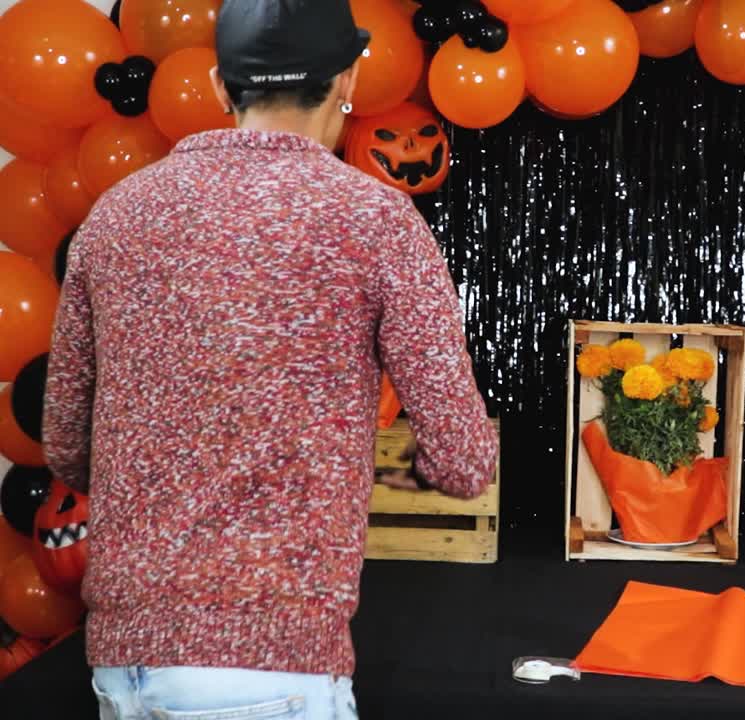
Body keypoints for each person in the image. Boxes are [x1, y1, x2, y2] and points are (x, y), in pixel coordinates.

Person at [41, 0, 498, 717]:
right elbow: (465, 461)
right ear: (347, 80)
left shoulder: (117, 213)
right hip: (270, 662)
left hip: (122, 658)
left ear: (221, 87)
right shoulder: (375, 220)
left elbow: (67, 444)